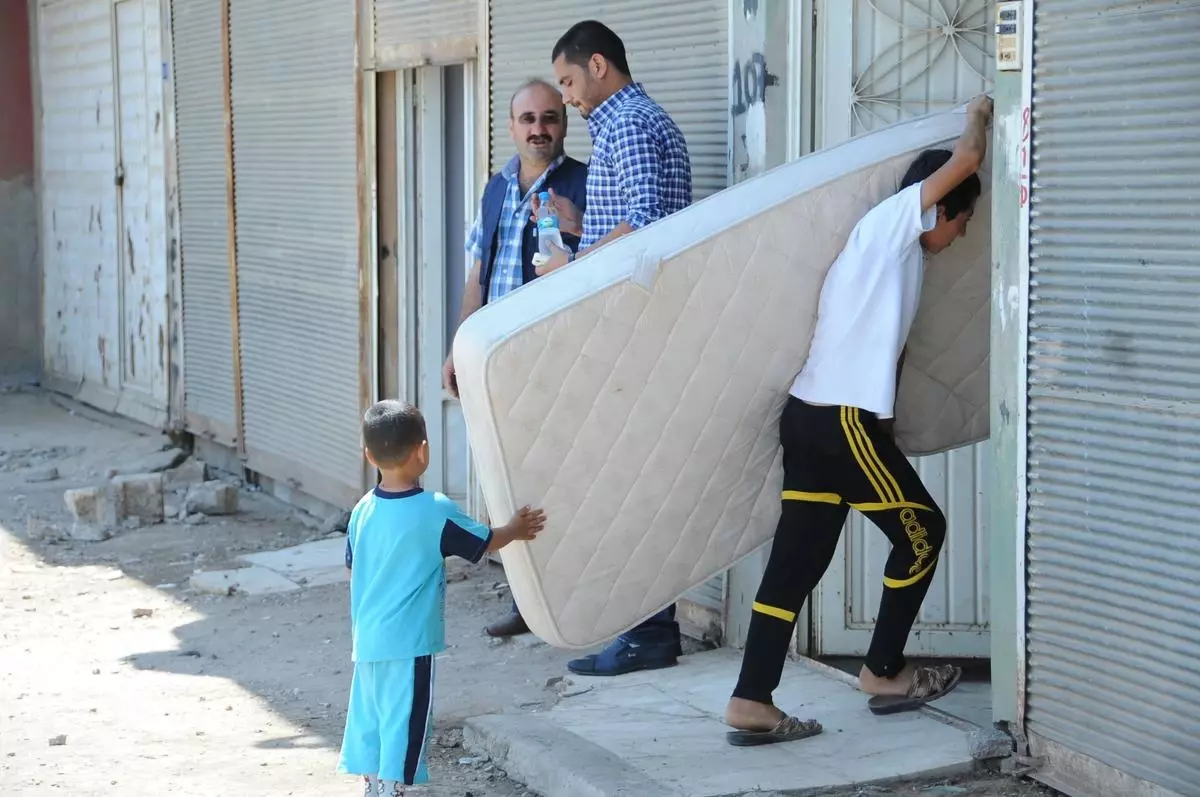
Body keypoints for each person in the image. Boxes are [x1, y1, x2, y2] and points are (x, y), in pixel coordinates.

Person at [723, 95, 994, 747]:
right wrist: (983, 111)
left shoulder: (894, 264)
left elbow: (887, 356)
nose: (959, 235)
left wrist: (887, 425)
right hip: (840, 423)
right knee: (923, 530)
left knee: (798, 561)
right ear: (940, 208)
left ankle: (750, 698)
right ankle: (884, 669)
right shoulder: (890, 226)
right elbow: (969, 158)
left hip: (813, 421)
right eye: (963, 220)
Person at [536, 19, 694, 677]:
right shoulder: (637, 122)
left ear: (598, 65)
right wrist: (580, 239)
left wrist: (572, 268)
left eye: (569, 82)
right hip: (643, 325)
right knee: (633, 478)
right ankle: (646, 626)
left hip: (636, 330)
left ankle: (648, 631)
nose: (567, 98)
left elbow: (646, 228)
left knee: (629, 481)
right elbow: (631, 221)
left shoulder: (628, 125)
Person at [338, 400, 546, 794]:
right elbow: (483, 542)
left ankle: (373, 785)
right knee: (407, 717)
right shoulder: (434, 509)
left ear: (369, 456)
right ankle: (393, 788)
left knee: (371, 714)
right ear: (424, 451)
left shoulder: (361, 510)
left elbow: (352, 567)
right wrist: (515, 528)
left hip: (366, 637)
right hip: (410, 640)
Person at [442, 78, 587, 639]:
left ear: (563, 124)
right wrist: (460, 347)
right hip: (498, 359)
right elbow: (478, 274)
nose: (539, 129)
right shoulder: (497, 188)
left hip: (552, 355)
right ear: (511, 126)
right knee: (511, 479)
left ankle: (568, 601)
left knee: (561, 474)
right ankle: (528, 601)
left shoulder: (583, 183)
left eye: (550, 117)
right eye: (528, 119)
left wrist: (573, 230)